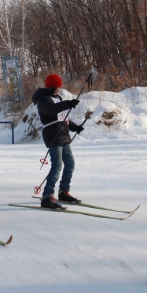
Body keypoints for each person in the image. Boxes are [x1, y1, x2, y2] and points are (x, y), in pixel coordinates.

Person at [32, 73, 86, 209]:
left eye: (59, 88)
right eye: (56, 87)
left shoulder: (57, 98)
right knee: (57, 166)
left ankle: (63, 191)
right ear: (50, 87)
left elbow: (63, 117)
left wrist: (75, 127)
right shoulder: (43, 99)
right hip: (52, 135)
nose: (58, 90)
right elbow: (50, 111)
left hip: (63, 134)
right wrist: (68, 103)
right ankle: (47, 196)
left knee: (70, 163)